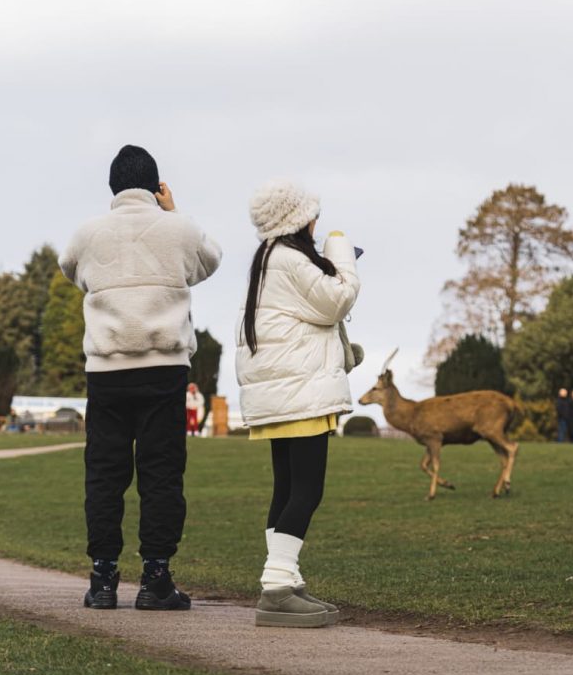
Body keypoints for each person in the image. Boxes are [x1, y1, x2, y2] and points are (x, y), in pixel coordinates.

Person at [59, 145, 222, 611]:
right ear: (155, 186)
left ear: (112, 187)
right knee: (162, 475)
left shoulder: (89, 234)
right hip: (164, 368)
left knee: (105, 476)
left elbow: (72, 270)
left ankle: (103, 579)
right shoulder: (180, 230)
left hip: (107, 371)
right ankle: (156, 578)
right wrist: (173, 211)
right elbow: (210, 260)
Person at [236, 179, 360, 628]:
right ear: (297, 218)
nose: (317, 221)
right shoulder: (290, 259)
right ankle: (275, 588)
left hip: (279, 393)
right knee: (308, 491)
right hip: (300, 396)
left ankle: (286, 578)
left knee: (286, 490)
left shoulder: (267, 260)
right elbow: (337, 300)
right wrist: (340, 251)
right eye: (313, 214)